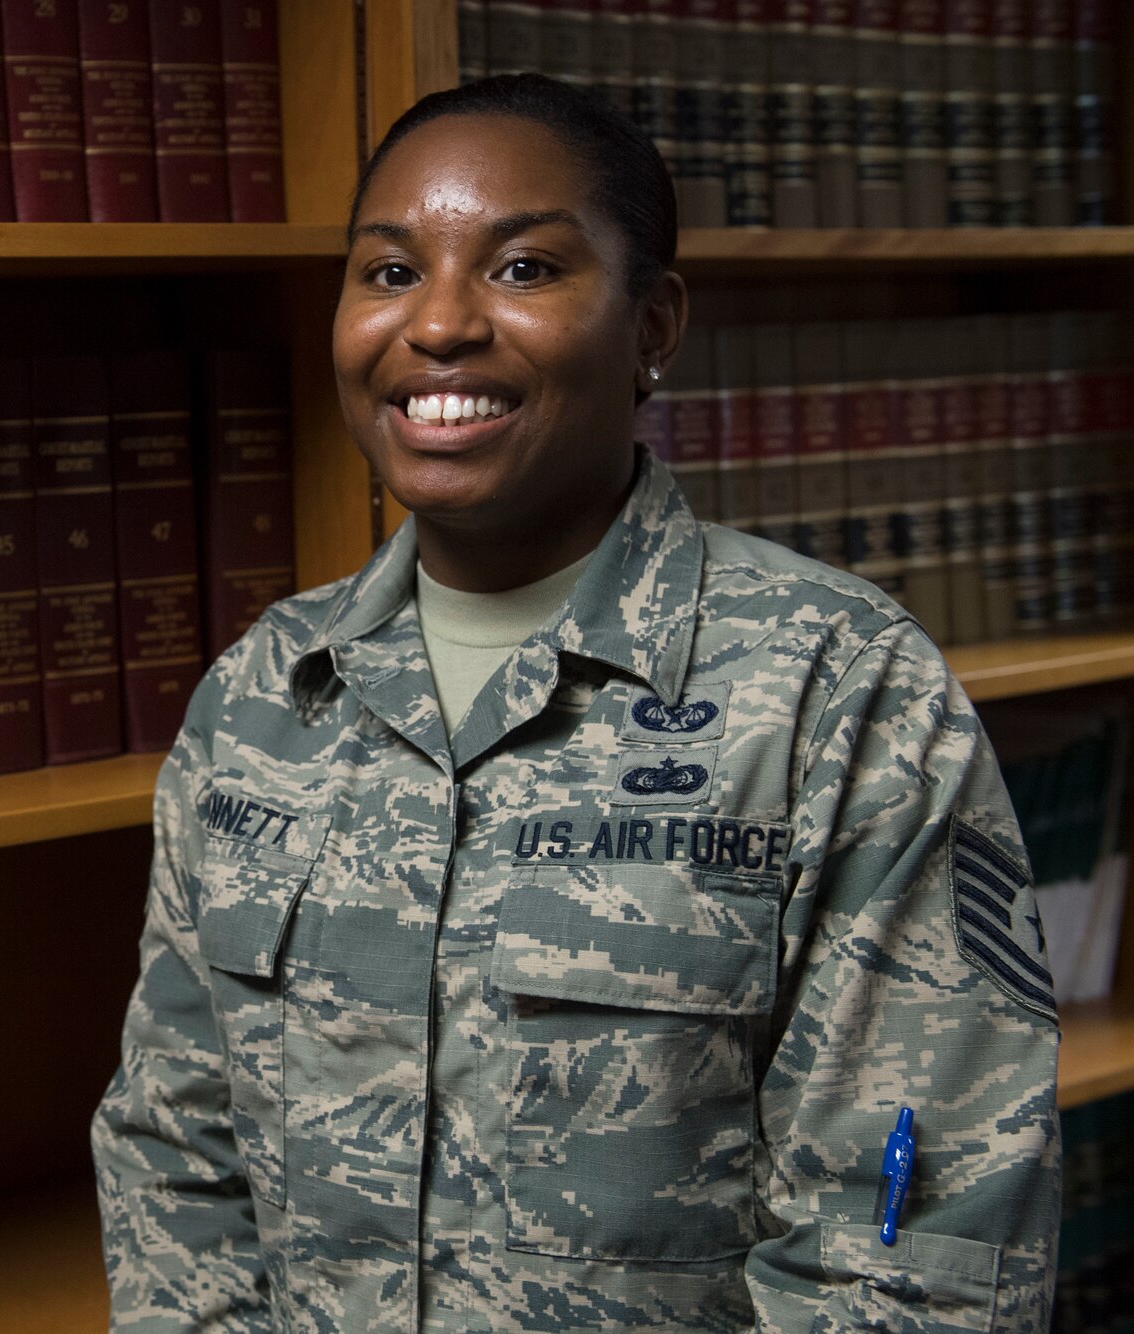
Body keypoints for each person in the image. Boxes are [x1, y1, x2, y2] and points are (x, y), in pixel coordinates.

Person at [91, 74, 1061, 1333]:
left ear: (651, 321)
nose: (435, 325)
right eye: (386, 272)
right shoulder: (263, 693)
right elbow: (174, 1158)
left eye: (524, 267)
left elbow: (914, 1253)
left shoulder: (836, 689)